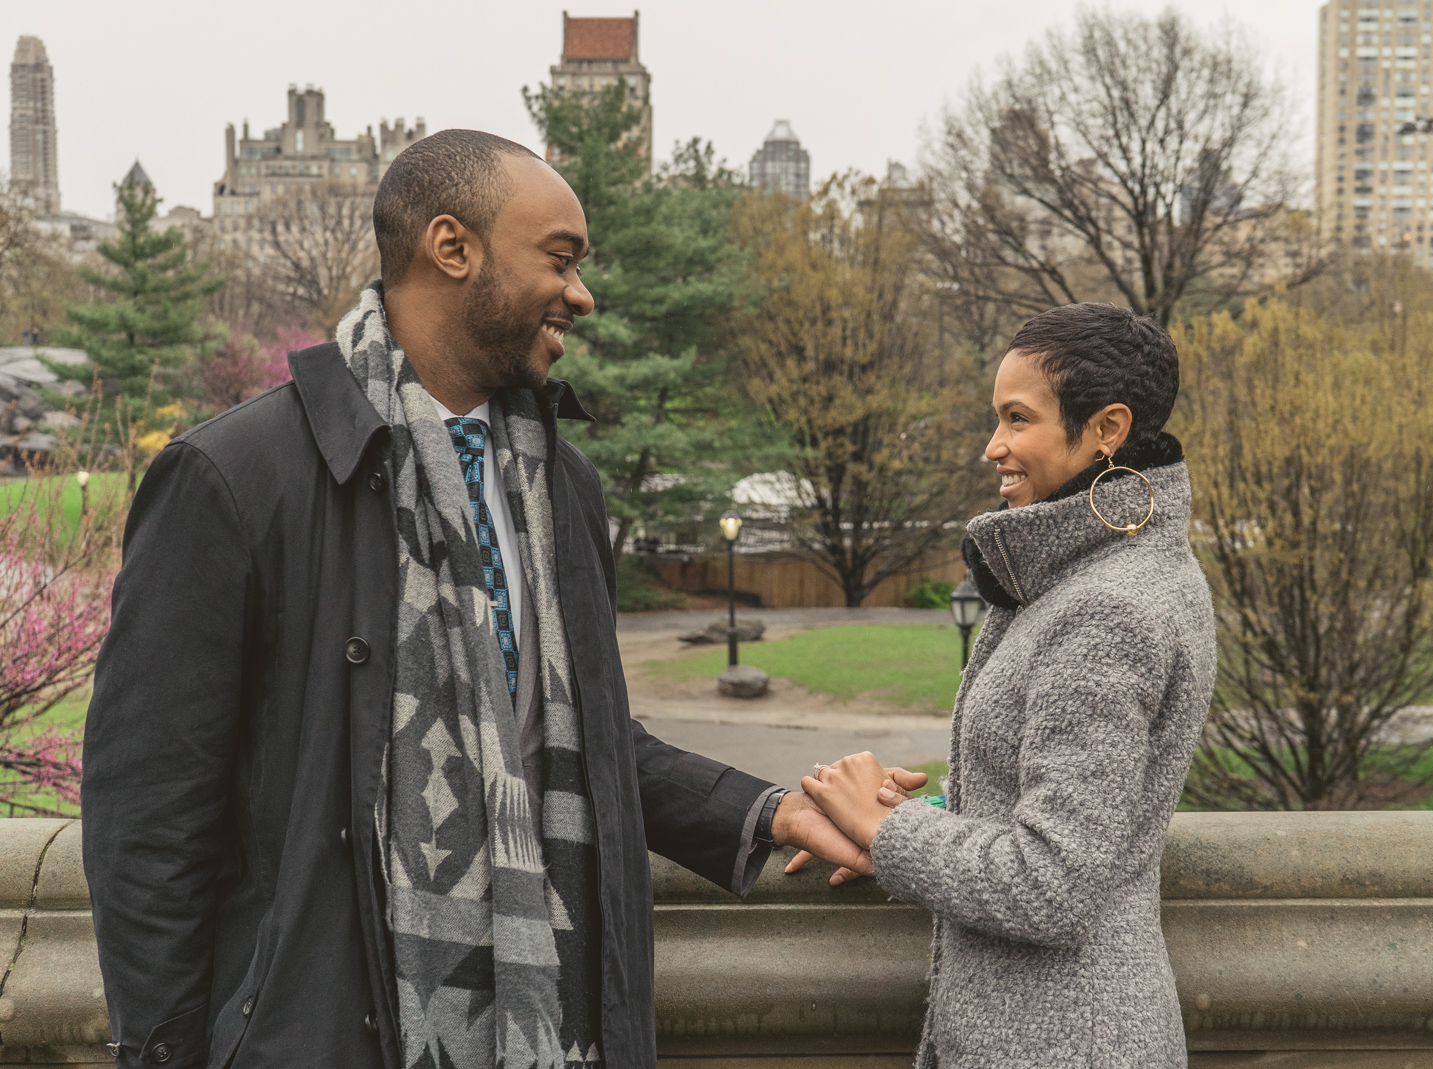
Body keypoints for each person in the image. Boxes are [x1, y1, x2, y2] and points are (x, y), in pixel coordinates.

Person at [79, 130, 874, 1069]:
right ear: (451, 249)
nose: (583, 294)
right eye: (562, 259)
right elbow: (146, 820)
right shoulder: (233, 477)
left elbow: (585, 738)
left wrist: (771, 809)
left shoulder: (562, 487)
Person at [798, 303, 1218, 1068]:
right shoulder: (1105, 571)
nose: (995, 446)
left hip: (1065, 1039)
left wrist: (891, 833)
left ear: (1107, 429)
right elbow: (1068, 810)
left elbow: (1052, 880)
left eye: (1017, 419)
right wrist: (902, 819)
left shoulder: (1107, 607)